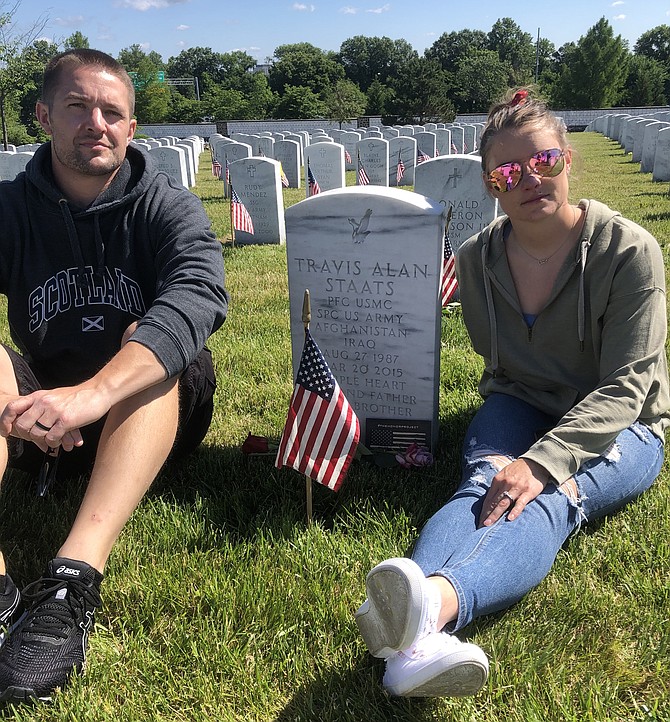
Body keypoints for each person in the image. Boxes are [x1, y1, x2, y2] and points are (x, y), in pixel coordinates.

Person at [355, 88, 669, 697]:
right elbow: (491, 353)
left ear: (568, 159)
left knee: (548, 497)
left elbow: (629, 384)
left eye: (543, 161)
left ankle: (429, 607)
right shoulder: (476, 261)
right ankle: (415, 642)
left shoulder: (628, 251)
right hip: (520, 399)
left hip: (623, 424)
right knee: (485, 482)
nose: (528, 179)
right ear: (491, 185)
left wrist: (542, 461)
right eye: (507, 171)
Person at [0, 49, 228, 702]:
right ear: (44, 115)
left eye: (112, 112)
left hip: (149, 418)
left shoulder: (165, 206)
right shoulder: (11, 210)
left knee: (152, 339)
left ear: (131, 129)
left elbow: (199, 294)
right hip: (37, 424)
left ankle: (73, 577)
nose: (95, 122)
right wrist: (13, 403)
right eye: (78, 107)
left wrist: (91, 396)